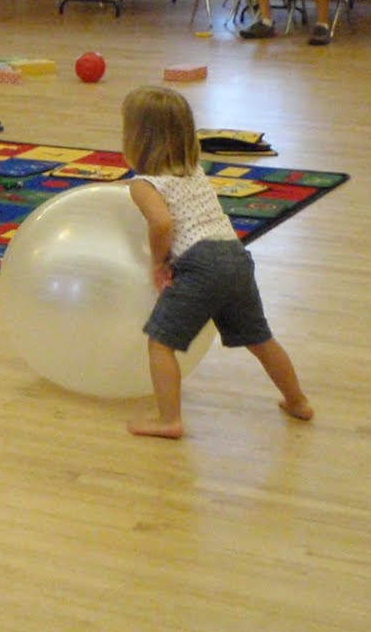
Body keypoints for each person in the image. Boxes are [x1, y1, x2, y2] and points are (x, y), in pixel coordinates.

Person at [120, 85, 314, 439]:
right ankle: (298, 401)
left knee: (160, 343)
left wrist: (158, 263)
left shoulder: (144, 184)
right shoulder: (193, 170)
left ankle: (169, 420)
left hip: (200, 266)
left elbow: (161, 223)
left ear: (135, 138)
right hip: (235, 256)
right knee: (260, 338)